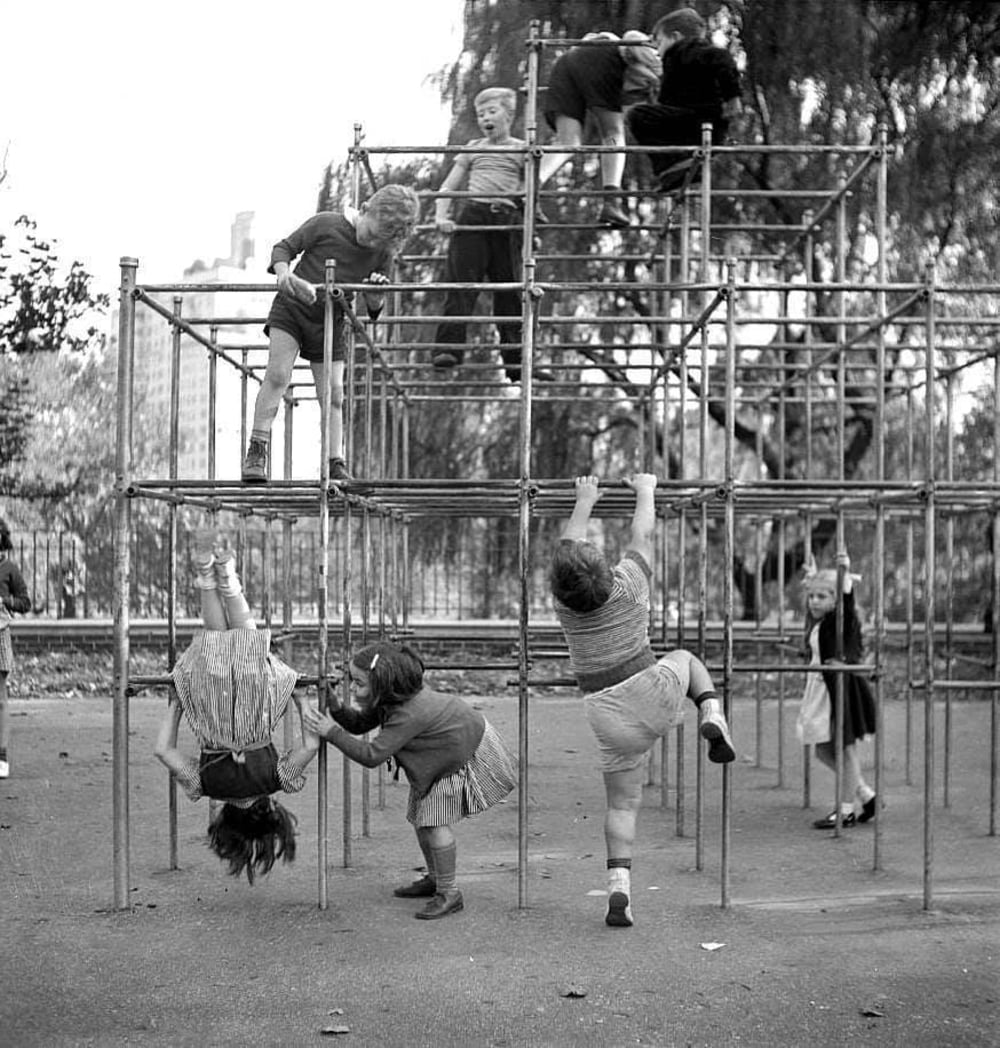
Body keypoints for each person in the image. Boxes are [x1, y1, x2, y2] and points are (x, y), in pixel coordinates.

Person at [549, 474, 735, 928]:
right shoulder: (629, 585)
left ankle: (620, 888)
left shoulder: (564, 606)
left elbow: (566, 551)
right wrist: (645, 490)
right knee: (687, 658)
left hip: (606, 713)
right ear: (606, 570)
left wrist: (583, 500)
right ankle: (710, 711)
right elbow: (643, 535)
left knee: (621, 806)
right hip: (652, 692)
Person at [302, 641, 517, 921]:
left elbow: (371, 755)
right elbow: (357, 724)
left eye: (358, 683)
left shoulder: (408, 714)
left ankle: (449, 892)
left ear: (384, 685)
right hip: (443, 753)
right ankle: (436, 879)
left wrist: (331, 732)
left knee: (434, 822)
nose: (352, 689)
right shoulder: (392, 700)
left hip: (460, 756)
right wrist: (332, 702)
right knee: (422, 820)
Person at [154, 531, 320, 883]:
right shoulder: (204, 786)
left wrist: (301, 700)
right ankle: (206, 574)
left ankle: (227, 576)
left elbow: (310, 744)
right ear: (224, 819)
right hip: (212, 698)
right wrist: (177, 705)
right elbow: (162, 750)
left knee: (244, 634)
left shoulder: (279, 780)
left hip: (254, 698)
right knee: (215, 635)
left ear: (270, 810)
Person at [241, 184, 420, 484]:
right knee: (277, 375)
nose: (370, 241)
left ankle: (335, 461)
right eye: (371, 232)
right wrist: (284, 274)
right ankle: (257, 450)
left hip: (332, 320)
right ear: (364, 209)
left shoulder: (381, 252)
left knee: (334, 393)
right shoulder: (327, 224)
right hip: (293, 308)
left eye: (378, 240)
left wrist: (375, 294)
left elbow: (375, 309)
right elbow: (283, 248)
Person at [432, 87, 554, 384]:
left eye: (492, 111)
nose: (485, 118)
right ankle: (447, 349)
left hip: (507, 221)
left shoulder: (522, 149)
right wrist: (441, 215)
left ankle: (516, 363)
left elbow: (530, 194)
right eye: (481, 114)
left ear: (509, 115)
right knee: (461, 284)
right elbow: (450, 185)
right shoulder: (474, 147)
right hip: (474, 216)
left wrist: (532, 230)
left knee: (511, 292)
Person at [539, 30, 662, 228]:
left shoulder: (605, 55)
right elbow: (631, 38)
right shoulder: (658, 59)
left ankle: (527, 191)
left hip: (566, 64)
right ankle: (611, 202)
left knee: (568, 143)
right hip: (600, 57)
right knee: (613, 134)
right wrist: (657, 76)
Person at [797, 549, 878, 830]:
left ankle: (846, 810)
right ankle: (866, 795)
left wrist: (844, 575)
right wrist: (813, 580)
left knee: (845, 749)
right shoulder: (819, 623)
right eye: (812, 596)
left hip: (839, 689)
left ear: (835, 600)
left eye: (823, 596)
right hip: (820, 688)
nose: (814, 601)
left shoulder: (840, 620)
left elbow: (846, 603)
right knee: (823, 749)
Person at [626, 7, 741, 193]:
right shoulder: (675, 62)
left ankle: (672, 165)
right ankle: (675, 170)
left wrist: (733, 97)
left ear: (675, 37)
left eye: (660, 42)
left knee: (637, 115)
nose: (656, 50)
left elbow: (722, 59)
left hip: (701, 120)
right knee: (648, 116)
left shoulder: (688, 51)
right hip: (699, 126)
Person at [0, 519, 31, 780]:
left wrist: (4, 600)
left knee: (0, 701)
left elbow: (25, 602)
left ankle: (1, 757)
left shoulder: (9, 568)